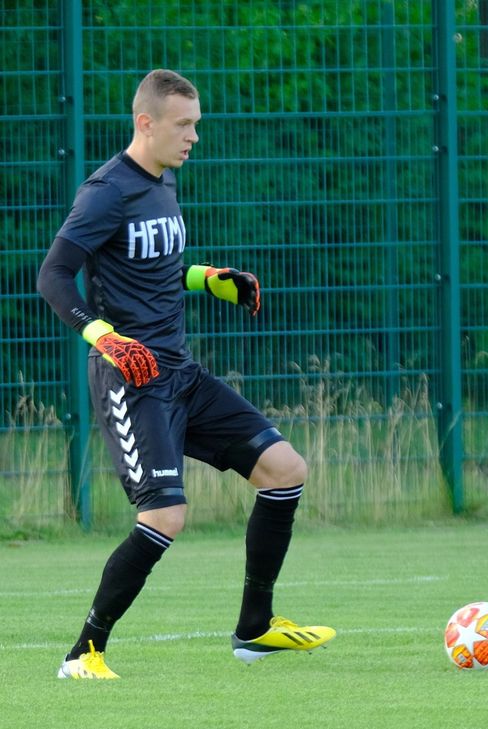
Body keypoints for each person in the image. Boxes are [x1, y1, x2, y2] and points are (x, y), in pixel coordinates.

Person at [37, 69, 335, 679]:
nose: (194, 136)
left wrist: (209, 278)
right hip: (131, 380)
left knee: (285, 471)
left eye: (196, 124)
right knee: (165, 517)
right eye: (184, 125)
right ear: (145, 123)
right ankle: (83, 653)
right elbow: (53, 275)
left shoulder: (164, 180)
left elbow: (155, 267)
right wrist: (103, 335)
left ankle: (255, 629)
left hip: (181, 372)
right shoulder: (105, 192)